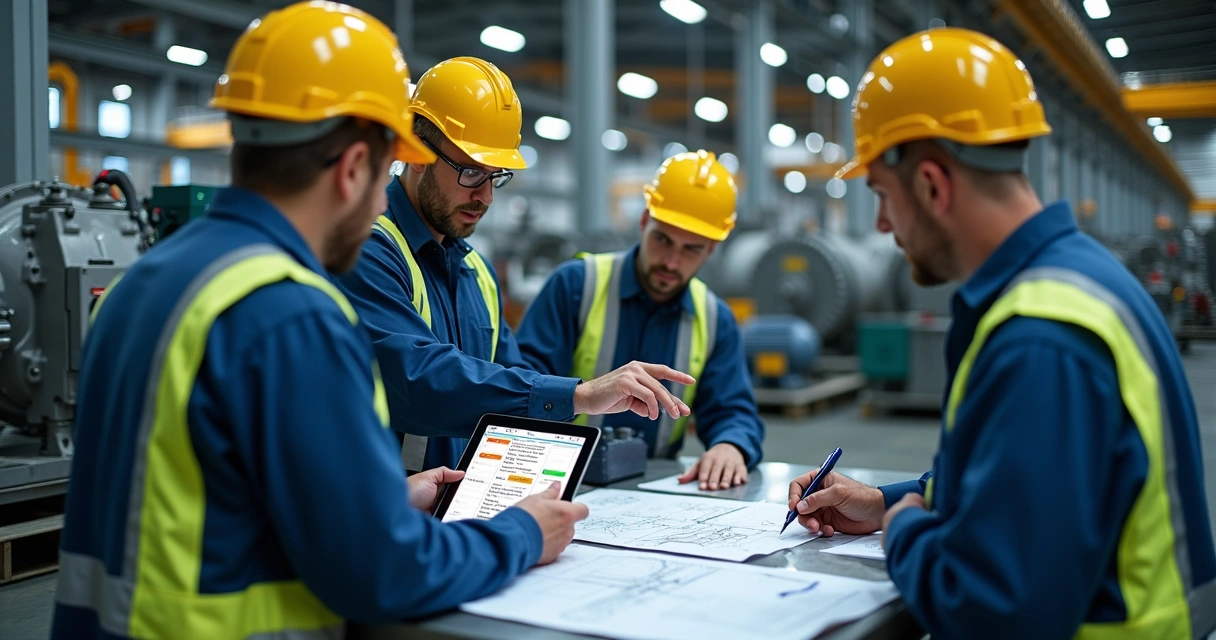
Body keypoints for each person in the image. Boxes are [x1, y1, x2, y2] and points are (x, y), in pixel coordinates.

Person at [51, 4, 587, 638]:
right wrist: (522, 532)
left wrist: (382, 500)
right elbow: (383, 571)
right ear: (354, 166)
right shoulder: (293, 316)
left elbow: (201, 497)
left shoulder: (141, 283)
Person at [786, 27, 1216, 637]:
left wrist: (906, 528)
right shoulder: (1081, 281)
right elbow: (1029, 488)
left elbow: (994, 609)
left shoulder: (1040, 340)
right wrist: (887, 503)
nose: (881, 224)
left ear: (932, 186)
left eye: (882, 195)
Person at [334, 57, 693, 473]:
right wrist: (578, 395)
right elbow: (416, 381)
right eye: (471, 173)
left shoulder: (477, 273)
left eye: (496, 176)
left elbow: (511, 377)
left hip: (450, 510)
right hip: (380, 516)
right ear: (417, 153)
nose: (485, 196)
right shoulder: (366, 250)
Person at [516, 150, 765, 490]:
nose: (672, 262)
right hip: (560, 481)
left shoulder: (714, 318)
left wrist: (731, 445)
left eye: (691, 249)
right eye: (663, 239)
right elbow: (524, 385)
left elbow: (733, 408)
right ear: (645, 221)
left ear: (710, 249)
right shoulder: (576, 285)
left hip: (654, 488)